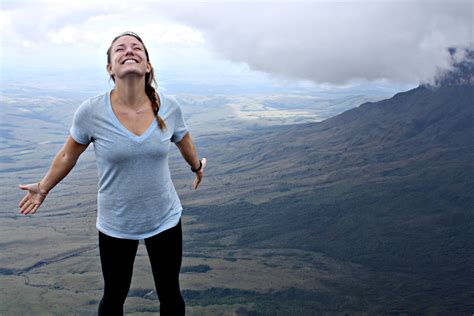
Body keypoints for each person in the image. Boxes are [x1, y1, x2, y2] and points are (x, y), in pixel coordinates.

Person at [17, 31, 206, 315]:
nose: (129, 51)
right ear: (110, 68)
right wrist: (43, 187)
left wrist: (196, 167)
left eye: (136, 48)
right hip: (116, 222)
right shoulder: (91, 112)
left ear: (148, 65)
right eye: (120, 49)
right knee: (114, 296)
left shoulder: (169, 107)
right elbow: (69, 154)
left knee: (170, 294)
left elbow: (183, 139)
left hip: (164, 218)